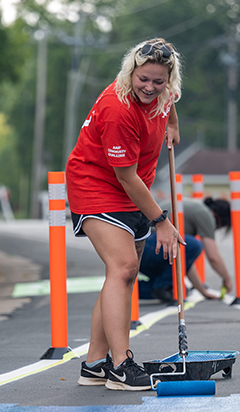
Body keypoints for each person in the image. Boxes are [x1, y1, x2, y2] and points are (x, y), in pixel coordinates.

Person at [66, 38, 183, 391]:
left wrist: (173, 125)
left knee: (122, 276)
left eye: (158, 81)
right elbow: (125, 176)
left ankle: (94, 364)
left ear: (168, 80)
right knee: (124, 268)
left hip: (134, 192)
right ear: (130, 72)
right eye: (142, 79)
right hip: (97, 185)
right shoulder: (118, 109)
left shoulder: (164, 93)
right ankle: (120, 367)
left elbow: (170, 101)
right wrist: (161, 221)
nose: (149, 87)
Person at [138, 198, 233, 303]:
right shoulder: (206, 214)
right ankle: (162, 286)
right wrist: (226, 279)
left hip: (143, 248)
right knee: (194, 245)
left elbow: (185, 262)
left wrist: (202, 291)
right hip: (147, 244)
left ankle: (127, 289)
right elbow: (213, 257)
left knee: (179, 291)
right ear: (220, 220)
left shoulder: (193, 209)